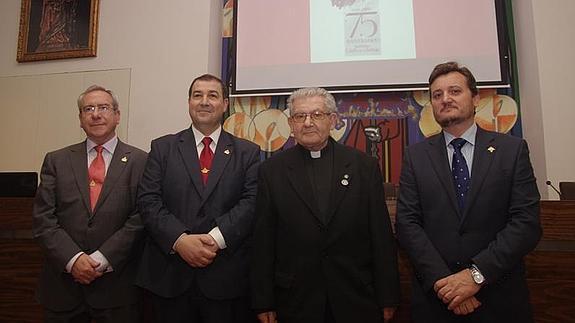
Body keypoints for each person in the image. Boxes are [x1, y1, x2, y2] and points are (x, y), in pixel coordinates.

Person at [395, 61, 542, 322]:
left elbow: (525, 224)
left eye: (454, 91)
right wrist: (447, 285)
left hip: (499, 297)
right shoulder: (415, 156)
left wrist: (475, 275)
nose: (445, 99)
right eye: (437, 95)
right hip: (437, 301)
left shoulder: (512, 150)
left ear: (475, 98)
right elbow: (407, 224)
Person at [251, 87, 400, 323]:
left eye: (317, 114)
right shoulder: (271, 171)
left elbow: (380, 236)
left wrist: (388, 296)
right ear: (291, 124)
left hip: (356, 297)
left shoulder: (363, 166)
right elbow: (263, 241)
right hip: (295, 301)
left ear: (332, 120)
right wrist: (263, 300)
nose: (308, 122)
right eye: (300, 116)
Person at [136, 74, 260, 323]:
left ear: (225, 104)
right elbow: (148, 201)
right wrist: (180, 240)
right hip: (169, 279)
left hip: (226, 281)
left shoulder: (247, 152)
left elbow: (251, 202)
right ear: (189, 103)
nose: (204, 101)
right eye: (197, 95)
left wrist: (214, 239)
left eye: (212, 95)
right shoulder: (162, 148)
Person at [33, 85, 148, 322]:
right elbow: (44, 219)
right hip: (63, 290)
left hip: (117, 292)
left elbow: (141, 218)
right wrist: (73, 260)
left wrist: (101, 259)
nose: (96, 114)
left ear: (117, 115)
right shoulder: (56, 160)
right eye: (89, 109)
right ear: (80, 119)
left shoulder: (141, 161)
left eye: (104, 107)